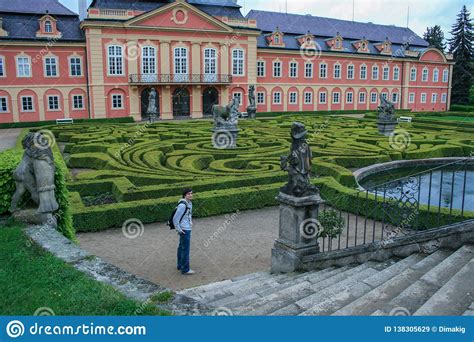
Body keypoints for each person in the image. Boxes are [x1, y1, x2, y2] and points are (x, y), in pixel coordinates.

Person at [175, 188, 195, 275]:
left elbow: (188, 214)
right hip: (184, 229)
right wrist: (179, 229)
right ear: (184, 195)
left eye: (191, 193)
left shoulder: (189, 203)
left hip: (186, 228)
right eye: (188, 194)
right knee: (185, 249)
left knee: (181, 247)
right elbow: (175, 218)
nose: (190, 195)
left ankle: (180, 265)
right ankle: (185, 269)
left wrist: (190, 221)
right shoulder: (183, 205)